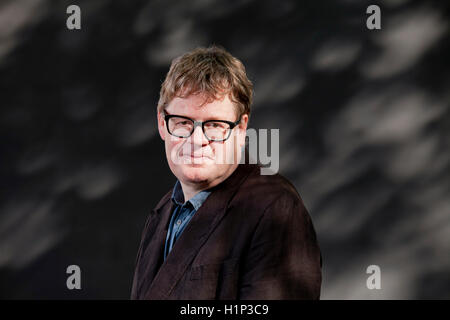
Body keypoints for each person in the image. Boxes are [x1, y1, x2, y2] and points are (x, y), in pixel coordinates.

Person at [130, 45, 322, 300]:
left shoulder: (274, 209)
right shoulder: (162, 212)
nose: (197, 140)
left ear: (241, 128)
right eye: (183, 122)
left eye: (214, 125)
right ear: (162, 123)